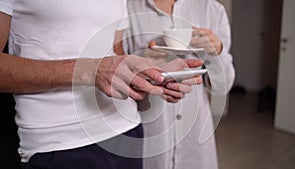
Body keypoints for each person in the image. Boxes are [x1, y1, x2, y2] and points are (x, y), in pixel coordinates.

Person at [0, 0, 204, 169]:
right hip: (60, 142)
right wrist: (91, 70)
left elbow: (113, 54)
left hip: (127, 129)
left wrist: (156, 71)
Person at [117, 0, 236, 169]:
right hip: (148, 133)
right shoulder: (127, 7)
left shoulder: (212, 10)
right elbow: (116, 80)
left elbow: (222, 87)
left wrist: (216, 52)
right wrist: (142, 63)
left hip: (196, 136)